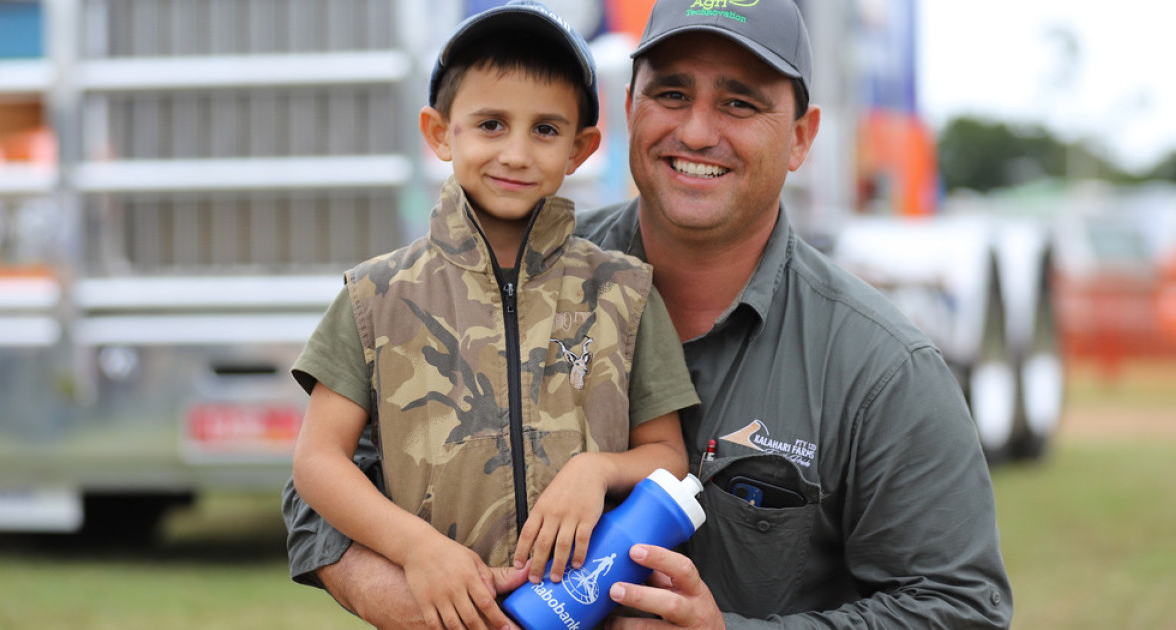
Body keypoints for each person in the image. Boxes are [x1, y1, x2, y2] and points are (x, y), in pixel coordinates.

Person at [283, 0, 1014, 628]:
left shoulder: (882, 369)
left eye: (739, 102)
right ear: (627, 109)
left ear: (801, 136)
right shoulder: (487, 276)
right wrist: (417, 597)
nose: (697, 132)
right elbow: (321, 486)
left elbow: (960, 608)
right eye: (670, 94)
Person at [287, 2, 697, 629]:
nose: (516, 152)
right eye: (491, 124)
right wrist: (417, 550)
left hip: (580, 614)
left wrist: (598, 470)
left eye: (545, 130)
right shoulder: (376, 296)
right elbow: (318, 463)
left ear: (582, 148)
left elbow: (668, 454)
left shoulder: (625, 291)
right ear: (438, 131)